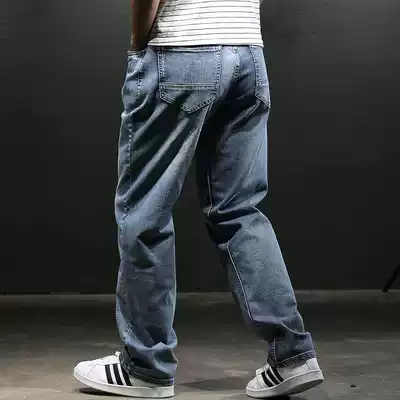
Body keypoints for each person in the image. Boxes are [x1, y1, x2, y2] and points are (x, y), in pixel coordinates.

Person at [73, 0, 324, 398]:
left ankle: (146, 367)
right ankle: (292, 354)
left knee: (145, 212)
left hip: (181, 48)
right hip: (248, 53)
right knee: (239, 210)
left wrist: (139, 45)